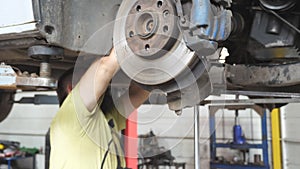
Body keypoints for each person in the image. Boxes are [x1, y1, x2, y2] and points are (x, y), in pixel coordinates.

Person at [49, 49, 149, 169]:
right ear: (72, 89)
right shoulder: (72, 115)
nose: (104, 85)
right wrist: (132, 40)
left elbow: (138, 93)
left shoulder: (103, 119)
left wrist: (155, 64)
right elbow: (104, 68)